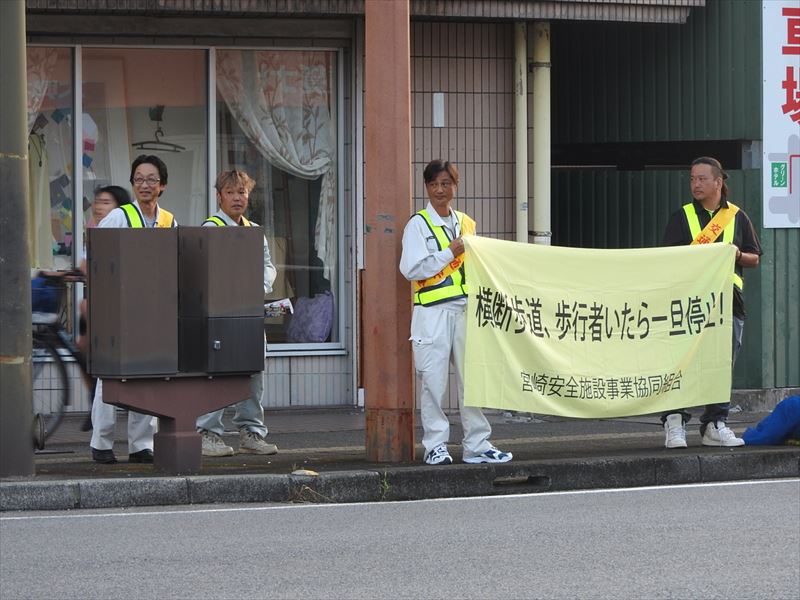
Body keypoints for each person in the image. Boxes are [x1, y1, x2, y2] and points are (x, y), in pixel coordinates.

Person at [399, 159, 512, 465]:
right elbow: (411, 268)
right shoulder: (418, 224)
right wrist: (451, 251)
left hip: (466, 311)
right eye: (434, 184)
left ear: (455, 186)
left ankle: (478, 444)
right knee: (433, 382)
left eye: (446, 183)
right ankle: (436, 445)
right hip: (432, 313)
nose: (440, 190)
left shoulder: (466, 223)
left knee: (472, 380)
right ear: (426, 187)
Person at [661, 156, 762, 449]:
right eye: (692, 179)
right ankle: (675, 421)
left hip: (729, 304)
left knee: (720, 366)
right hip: (689, 304)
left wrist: (735, 254)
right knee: (682, 363)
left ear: (719, 182)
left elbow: (754, 257)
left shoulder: (737, 217)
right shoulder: (682, 217)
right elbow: (667, 259)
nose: (696, 184)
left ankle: (715, 425)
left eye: (702, 179)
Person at [90, 155, 176, 464]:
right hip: (118, 309)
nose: (144, 185)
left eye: (151, 179)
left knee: (147, 375)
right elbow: (98, 256)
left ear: (162, 185)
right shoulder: (118, 217)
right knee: (110, 376)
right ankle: (101, 442)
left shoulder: (169, 221)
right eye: (138, 179)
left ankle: (140, 445)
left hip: (153, 310)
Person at [196, 170, 279, 457]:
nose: (237, 198)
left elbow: (269, 266)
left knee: (254, 372)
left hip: (250, 311)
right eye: (230, 192)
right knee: (218, 373)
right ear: (219, 196)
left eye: (242, 192)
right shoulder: (211, 227)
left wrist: (259, 283)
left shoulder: (255, 229)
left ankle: (251, 432)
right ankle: (207, 432)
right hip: (219, 313)